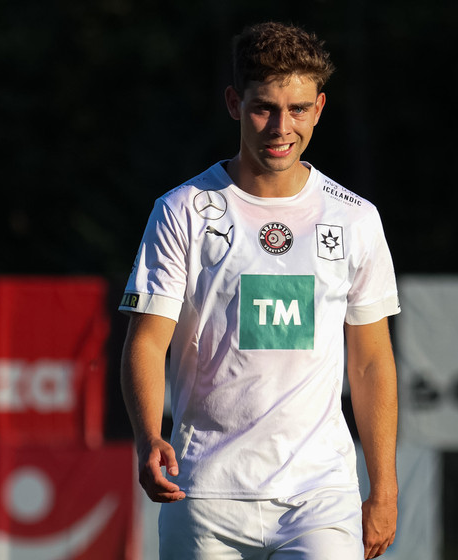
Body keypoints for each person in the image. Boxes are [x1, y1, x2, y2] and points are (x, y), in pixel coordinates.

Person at [120, 21, 400, 560]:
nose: (281, 127)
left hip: (320, 496)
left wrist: (383, 487)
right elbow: (148, 341)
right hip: (203, 493)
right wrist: (149, 436)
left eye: (297, 109)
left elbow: (370, 362)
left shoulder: (356, 218)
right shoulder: (181, 211)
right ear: (234, 103)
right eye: (264, 108)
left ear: (319, 108)